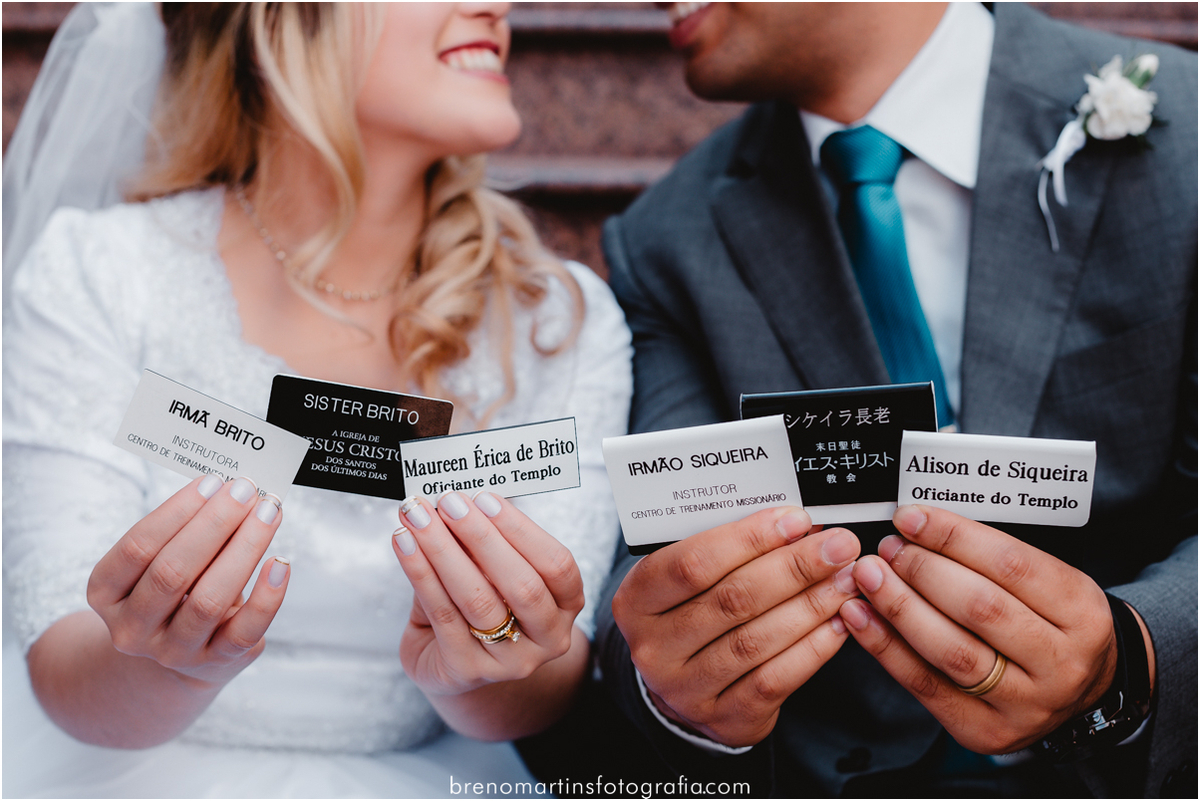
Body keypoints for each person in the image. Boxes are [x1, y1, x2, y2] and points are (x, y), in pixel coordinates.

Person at [2, 2, 631, 797]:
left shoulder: (557, 320)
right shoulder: (95, 274)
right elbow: (62, 666)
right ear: (278, 19)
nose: (497, 5)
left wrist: (490, 664)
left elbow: (542, 686)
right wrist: (161, 660)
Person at [591, 2, 1195, 797]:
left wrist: (1136, 656)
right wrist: (678, 694)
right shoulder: (665, 240)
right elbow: (653, 558)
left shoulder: (1185, 125)